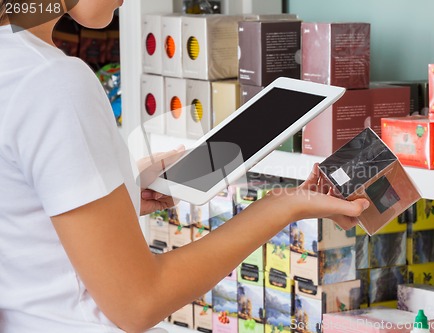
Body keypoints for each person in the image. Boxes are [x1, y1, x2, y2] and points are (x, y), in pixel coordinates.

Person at [0, 1, 370, 332]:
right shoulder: (51, 80)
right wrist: (282, 205)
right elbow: (139, 303)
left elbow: (21, 220)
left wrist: (119, 191)